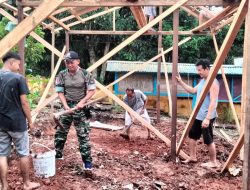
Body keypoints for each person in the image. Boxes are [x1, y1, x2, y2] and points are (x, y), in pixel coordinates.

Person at [0, 52, 40, 190]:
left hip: (1, 123)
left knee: (1, 154)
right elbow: (24, 102)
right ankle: (26, 184)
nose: (19, 67)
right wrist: (30, 120)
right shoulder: (18, 78)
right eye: (18, 64)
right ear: (11, 62)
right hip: (17, 122)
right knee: (23, 152)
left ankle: (4, 185)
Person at [54, 51, 96, 173]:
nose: (69, 64)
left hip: (81, 107)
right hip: (67, 106)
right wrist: (65, 106)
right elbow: (60, 92)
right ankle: (57, 154)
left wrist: (82, 102)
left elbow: (91, 91)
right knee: (60, 132)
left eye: (71, 62)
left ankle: (87, 162)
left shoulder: (86, 74)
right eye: (67, 62)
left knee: (83, 135)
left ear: (78, 61)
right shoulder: (61, 74)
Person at [176, 59, 220, 168]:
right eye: (198, 70)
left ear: (207, 69)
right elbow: (192, 91)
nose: (198, 72)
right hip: (198, 115)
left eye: (200, 70)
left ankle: (213, 162)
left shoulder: (213, 82)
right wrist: (181, 82)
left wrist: (208, 118)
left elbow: (213, 101)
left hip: (206, 116)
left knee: (208, 139)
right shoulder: (203, 81)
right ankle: (192, 156)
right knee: (192, 136)